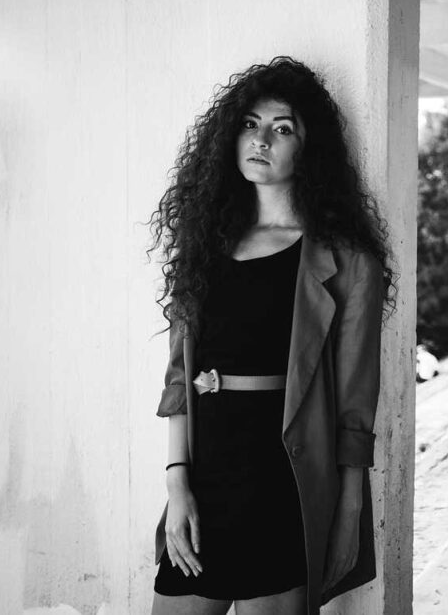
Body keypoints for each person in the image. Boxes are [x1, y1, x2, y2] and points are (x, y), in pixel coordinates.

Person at [146, 56, 395, 615]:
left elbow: (356, 403)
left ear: (307, 149)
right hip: (206, 478)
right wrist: (176, 482)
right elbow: (179, 381)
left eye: (282, 128)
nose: (261, 140)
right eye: (250, 124)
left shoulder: (347, 262)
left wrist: (349, 508)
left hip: (283, 484)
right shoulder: (203, 249)